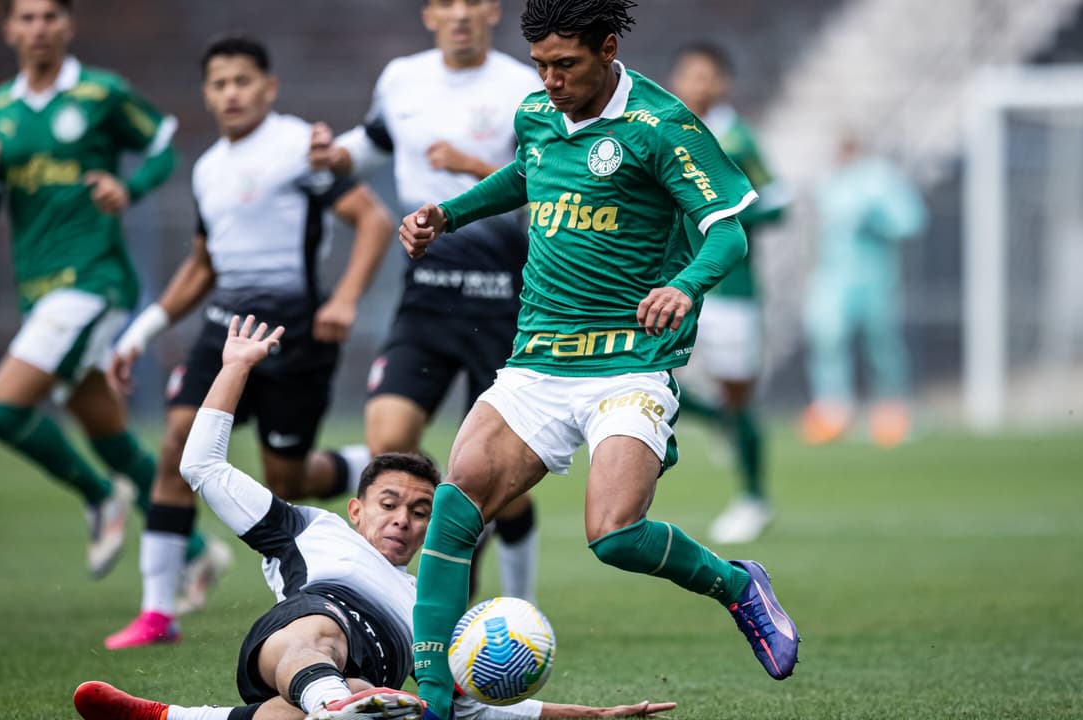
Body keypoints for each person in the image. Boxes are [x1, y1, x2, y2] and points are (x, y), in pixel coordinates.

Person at [396, 2, 802, 718]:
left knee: (614, 535)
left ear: (608, 48)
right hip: (538, 360)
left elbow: (728, 234)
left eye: (567, 65)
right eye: (541, 65)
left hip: (628, 363)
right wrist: (448, 214)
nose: (551, 80)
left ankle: (737, 586)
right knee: (456, 504)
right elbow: (524, 176)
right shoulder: (536, 114)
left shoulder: (661, 125)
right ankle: (433, 698)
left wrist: (682, 285)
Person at [73, 315, 676, 720]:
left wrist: (596, 716)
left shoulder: (432, 604)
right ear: (356, 510)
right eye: (389, 504)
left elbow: (478, 708)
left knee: (319, 712)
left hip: (354, 686)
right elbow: (200, 466)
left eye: (420, 512)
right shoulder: (309, 530)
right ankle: (339, 701)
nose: (404, 521)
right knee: (321, 636)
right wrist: (235, 366)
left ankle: (170, 717)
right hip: (307, 636)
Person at [102, 36, 393, 650]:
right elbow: (204, 266)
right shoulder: (207, 168)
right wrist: (139, 333)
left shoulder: (301, 147)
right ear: (207, 93)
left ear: (268, 86)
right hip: (224, 327)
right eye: (219, 83)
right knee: (178, 448)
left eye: (242, 81)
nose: (231, 93)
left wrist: (344, 299)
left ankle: (355, 460)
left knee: (284, 478)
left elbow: (372, 219)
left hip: (294, 334)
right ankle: (157, 612)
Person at [308, 0, 543, 603]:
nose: (460, 13)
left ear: (492, 9)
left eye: (472, 1)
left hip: (504, 295)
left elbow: (547, 189)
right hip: (428, 291)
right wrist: (340, 155)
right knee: (390, 442)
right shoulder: (401, 78)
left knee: (507, 482)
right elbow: (379, 139)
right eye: (447, 2)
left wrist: (469, 165)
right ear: (429, 12)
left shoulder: (525, 86)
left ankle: (517, 608)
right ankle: (404, 592)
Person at [0, 0, 185, 578]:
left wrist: (129, 188)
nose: (39, 28)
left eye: (50, 16)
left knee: (1, 410)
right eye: (28, 17)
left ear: (68, 25)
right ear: (10, 29)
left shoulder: (100, 91)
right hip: (38, 290)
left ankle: (98, 496)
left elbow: (164, 142)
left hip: (93, 280)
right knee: (108, 434)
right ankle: (192, 555)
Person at [667, 42, 789, 545]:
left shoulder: (739, 140)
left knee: (740, 395)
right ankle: (714, 419)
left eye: (706, 76)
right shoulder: (665, 131)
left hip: (732, 289)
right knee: (650, 377)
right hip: (673, 284)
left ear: (722, 83)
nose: (696, 84)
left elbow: (779, 205)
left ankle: (754, 498)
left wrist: (724, 212)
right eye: (688, 74)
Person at [799, 132, 927, 448]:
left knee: (882, 342)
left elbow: (912, 220)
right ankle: (833, 410)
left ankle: (890, 410)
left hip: (874, 273)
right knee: (828, 336)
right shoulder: (828, 181)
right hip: (833, 273)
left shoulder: (880, 179)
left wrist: (878, 218)